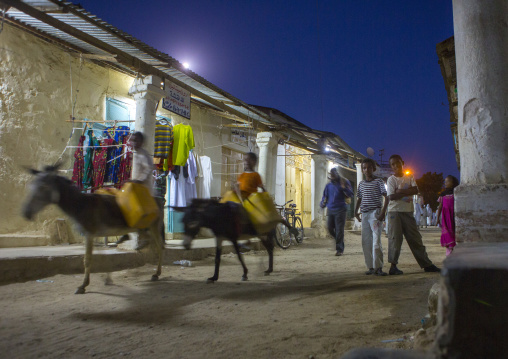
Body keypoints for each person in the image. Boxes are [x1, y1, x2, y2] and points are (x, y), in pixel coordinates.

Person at [386, 154, 440, 275]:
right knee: (395, 239)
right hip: (395, 212)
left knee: (415, 238)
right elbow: (391, 196)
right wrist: (407, 191)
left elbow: (416, 190)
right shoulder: (391, 179)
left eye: (397, 163)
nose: (395, 166)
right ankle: (393, 266)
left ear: (402, 163)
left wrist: (400, 191)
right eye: (392, 164)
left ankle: (426, 264)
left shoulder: (409, 176)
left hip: (408, 211)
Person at [355, 158, 389, 276]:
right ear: (362, 170)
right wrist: (355, 211)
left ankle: (378, 267)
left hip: (375, 214)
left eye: (369, 167)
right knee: (365, 241)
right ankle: (370, 267)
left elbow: (387, 197)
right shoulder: (361, 184)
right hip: (364, 215)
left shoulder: (379, 182)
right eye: (364, 168)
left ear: (373, 169)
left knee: (376, 241)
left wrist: (383, 212)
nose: (367, 170)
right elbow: (359, 198)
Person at [320, 167, 353, 256]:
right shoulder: (328, 185)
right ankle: (339, 241)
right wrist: (322, 204)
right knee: (330, 228)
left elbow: (351, 194)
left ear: (337, 174)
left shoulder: (344, 182)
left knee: (339, 230)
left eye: (334, 174)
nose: (332, 176)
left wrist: (343, 188)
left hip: (341, 209)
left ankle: (339, 249)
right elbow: (324, 196)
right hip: (331, 209)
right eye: (331, 175)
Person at [436, 175, 459, 256]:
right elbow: (440, 206)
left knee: (454, 231)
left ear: (453, 183)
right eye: (445, 181)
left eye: (448, 181)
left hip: (454, 214)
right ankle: (449, 251)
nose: (445, 183)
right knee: (447, 232)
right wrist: (437, 218)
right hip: (446, 216)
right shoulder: (443, 194)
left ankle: (455, 250)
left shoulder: (456, 192)